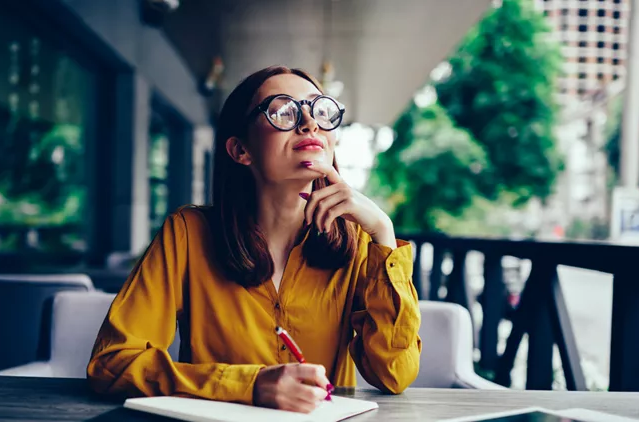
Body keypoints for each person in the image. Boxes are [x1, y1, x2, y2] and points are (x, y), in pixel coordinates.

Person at [87, 65, 422, 413]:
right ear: (240, 150)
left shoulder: (359, 242)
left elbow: (394, 374)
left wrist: (384, 234)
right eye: (283, 111)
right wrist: (248, 385)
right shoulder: (187, 234)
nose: (309, 123)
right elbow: (112, 365)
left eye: (319, 109)